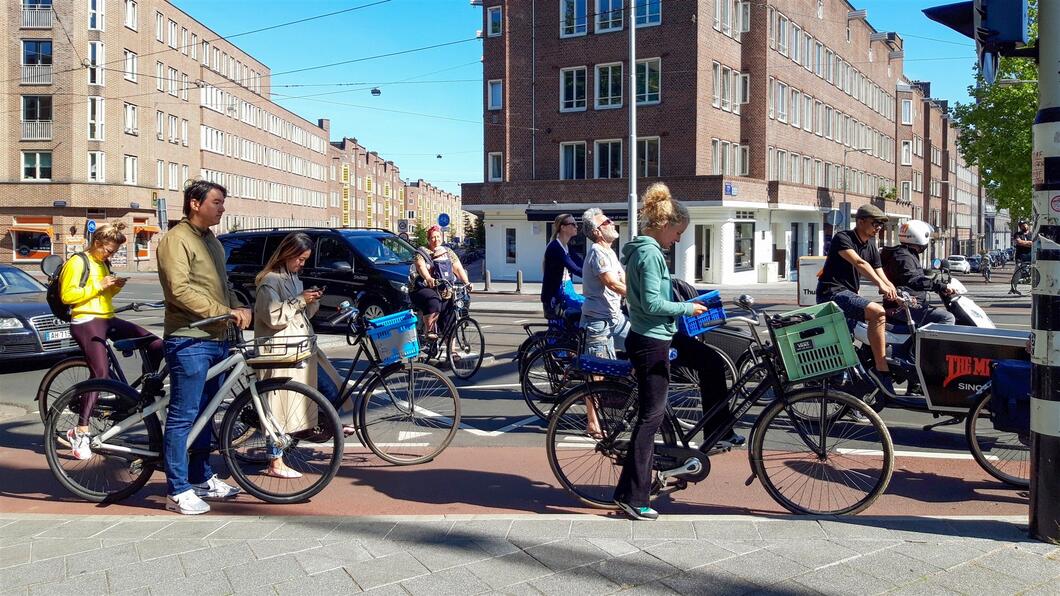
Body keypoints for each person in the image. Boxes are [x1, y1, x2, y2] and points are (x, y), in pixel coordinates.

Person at [613, 183, 710, 522]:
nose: (679, 239)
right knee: (649, 420)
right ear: (666, 225)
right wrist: (687, 308)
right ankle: (634, 498)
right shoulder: (651, 253)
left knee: (653, 415)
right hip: (652, 341)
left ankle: (627, 492)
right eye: (679, 232)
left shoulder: (641, 249)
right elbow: (654, 302)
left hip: (649, 337)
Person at [157, 180, 252, 515]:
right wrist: (224, 311)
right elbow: (178, 290)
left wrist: (240, 306)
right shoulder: (175, 240)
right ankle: (177, 489)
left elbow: (222, 284)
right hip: (189, 338)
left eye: (222, 202)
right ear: (195, 203)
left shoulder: (212, 241)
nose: (222, 208)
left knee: (206, 413)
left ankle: (199, 477)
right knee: (184, 414)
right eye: (216, 202)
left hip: (217, 337)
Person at [60, 222, 163, 461]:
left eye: (114, 252)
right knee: (101, 374)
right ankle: (81, 431)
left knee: (156, 343)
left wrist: (114, 287)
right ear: (97, 243)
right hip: (85, 321)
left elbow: (103, 295)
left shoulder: (102, 262)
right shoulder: (78, 262)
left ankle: (144, 392)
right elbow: (68, 296)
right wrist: (100, 284)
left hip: (106, 318)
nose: (111, 255)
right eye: (108, 250)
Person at [254, 232, 332, 479]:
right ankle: (274, 462)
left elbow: (300, 315)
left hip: (295, 350)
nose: (302, 264)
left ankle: (329, 425)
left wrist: (311, 301)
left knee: (292, 404)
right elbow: (273, 316)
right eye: (299, 258)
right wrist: (300, 300)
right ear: (287, 254)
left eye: (305, 260)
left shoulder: (293, 278)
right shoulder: (270, 281)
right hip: (278, 351)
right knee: (278, 408)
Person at [816, 204, 899, 394]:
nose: (878, 227)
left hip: (850, 294)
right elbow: (859, 263)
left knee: (853, 342)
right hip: (832, 294)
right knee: (877, 313)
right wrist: (880, 285)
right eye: (875, 223)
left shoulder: (870, 245)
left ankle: (855, 388)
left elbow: (880, 271)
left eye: (881, 224)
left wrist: (893, 290)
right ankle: (881, 370)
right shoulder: (843, 238)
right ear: (860, 221)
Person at [881, 220, 956, 328]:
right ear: (921, 236)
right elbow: (913, 280)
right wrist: (941, 286)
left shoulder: (904, 254)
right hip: (902, 306)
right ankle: (930, 345)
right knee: (947, 318)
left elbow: (911, 276)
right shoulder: (904, 257)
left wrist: (934, 282)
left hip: (909, 303)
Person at [578, 208, 628, 360]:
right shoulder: (597, 252)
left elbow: (623, 280)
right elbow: (611, 283)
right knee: (601, 371)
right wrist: (639, 295)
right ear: (597, 232)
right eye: (606, 222)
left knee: (642, 345)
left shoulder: (610, 252)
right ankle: (597, 384)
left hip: (615, 317)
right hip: (598, 321)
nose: (612, 223)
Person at [410, 225, 471, 338]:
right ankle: (430, 331)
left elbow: (457, 268)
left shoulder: (447, 251)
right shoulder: (422, 252)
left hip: (444, 288)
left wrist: (467, 283)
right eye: (433, 237)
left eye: (438, 236)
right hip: (423, 288)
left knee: (451, 312)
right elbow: (421, 266)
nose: (436, 239)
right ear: (428, 239)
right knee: (433, 300)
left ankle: (451, 350)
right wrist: (428, 278)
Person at [541, 214, 583, 320]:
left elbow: (581, 263)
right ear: (563, 227)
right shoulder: (555, 248)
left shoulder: (566, 247)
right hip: (555, 294)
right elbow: (575, 269)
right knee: (590, 306)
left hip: (565, 288)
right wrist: (597, 277)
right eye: (573, 224)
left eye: (576, 224)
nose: (576, 226)